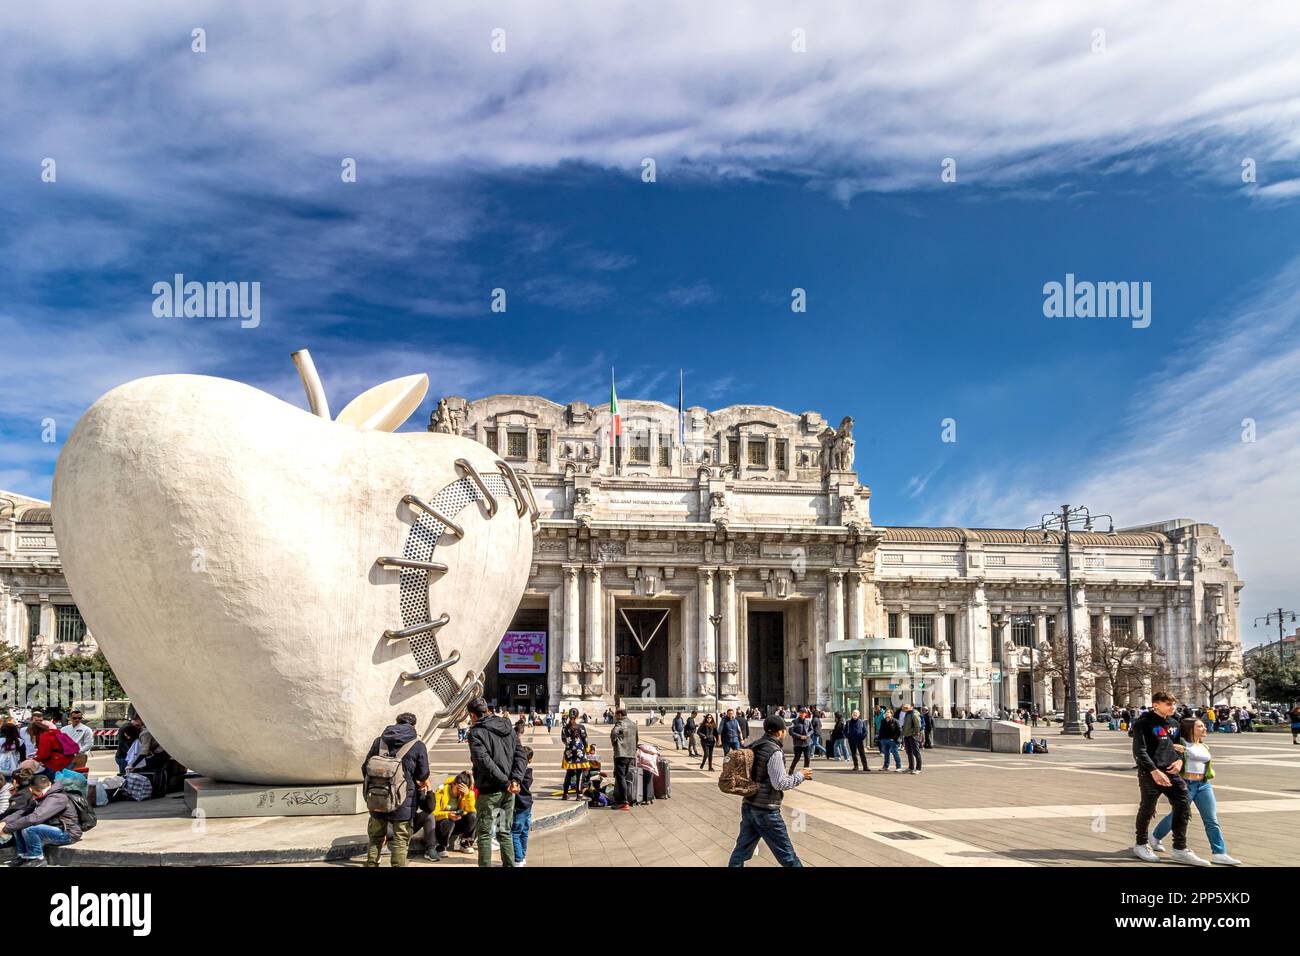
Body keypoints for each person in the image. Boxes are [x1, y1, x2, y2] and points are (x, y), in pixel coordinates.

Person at [1148, 717, 1241, 865]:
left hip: (1204, 784)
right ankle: (1154, 836)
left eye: (1204, 726)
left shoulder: (1204, 746)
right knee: (1177, 816)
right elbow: (1164, 745)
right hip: (1186, 784)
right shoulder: (1181, 744)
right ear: (1190, 728)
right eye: (1200, 726)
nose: (1204, 728)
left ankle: (1219, 853)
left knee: (1211, 819)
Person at [1131, 692, 1205, 865]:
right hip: (1151, 774)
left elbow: (1174, 746)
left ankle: (1180, 848)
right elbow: (1139, 751)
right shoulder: (1144, 723)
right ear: (1156, 704)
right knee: (1147, 809)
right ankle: (1141, 844)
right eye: (1168, 704)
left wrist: (1179, 762)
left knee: (1183, 806)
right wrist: (1154, 771)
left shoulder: (1173, 722)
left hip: (1172, 772)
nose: (1173, 707)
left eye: (1173, 704)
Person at [728, 715, 810, 868]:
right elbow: (780, 783)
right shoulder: (774, 751)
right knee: (788, 856)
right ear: (779, 732)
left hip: (749, 805)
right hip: (766, 811)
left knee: (740, 851)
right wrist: (801, 776)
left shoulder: (755, 745)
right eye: (784, 729)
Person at [361, 712, 430, 867]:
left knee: (375, 837)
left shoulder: (379, 742)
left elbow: (365, 767)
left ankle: (371, 864)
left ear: (396, 723)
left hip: (377, 796)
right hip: (404, 799)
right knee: (400, 839)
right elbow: (423, 774)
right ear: (413, 726)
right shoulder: (417, 745)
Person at [466, 696, 527, 867]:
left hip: (489, 792)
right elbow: (520, 756)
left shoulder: (476, 733)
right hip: (508, 791)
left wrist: (506, 781)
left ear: (472, 715)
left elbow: (484, 763)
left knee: (484, 834)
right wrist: (515, 780)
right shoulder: (507, 726)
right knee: (504, 831)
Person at [1, 772, 83, 866]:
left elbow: (35, 818)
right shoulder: (41, 796)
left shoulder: (58, 798)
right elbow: (22, 812)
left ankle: (37, 859)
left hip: (67, 833)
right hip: (52, 829)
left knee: (30, 829)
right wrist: (4, 822)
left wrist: (6, 829)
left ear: (31, 789)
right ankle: (24, 856)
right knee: (18, 826)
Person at [421, 771, 477, 860]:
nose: (459, 792)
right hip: (441, 825)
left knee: (473, 815)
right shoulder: (441, 790)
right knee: (448, 821)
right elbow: (434, 814)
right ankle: (441, 846)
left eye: (462, 790)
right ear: (453, 784)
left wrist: (468, 794)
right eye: (458, 789)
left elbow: (471, 810)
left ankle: (465, 842)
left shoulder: (465, 793)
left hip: (456, 822)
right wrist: (447, 814)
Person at [610, 707, 638, 811]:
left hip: (621, 754)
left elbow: (613, 733)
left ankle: (623, 802)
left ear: (620, 714)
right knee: (624, 776)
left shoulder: (620, 723)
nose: (615, 717)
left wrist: (615, 743)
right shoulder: (633, 724)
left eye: (616, 715)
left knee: (620, 777)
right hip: (630, 754)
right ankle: (623, 800)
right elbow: (636, 739)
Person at [511, 746, 535, 867]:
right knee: (524, 832)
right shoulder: (529, 773)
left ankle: (518, 859)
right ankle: (522, 856)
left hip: (519, 805)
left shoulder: (517, 775)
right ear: (530, 760)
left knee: (514, 833)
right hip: (528, 804)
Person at [560, 716, 590, 800]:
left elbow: (563, 739)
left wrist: (569, 744)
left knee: (569, 773)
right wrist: (586, 748)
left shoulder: (564, 728)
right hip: (579, 752)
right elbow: (585, 740)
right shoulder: (581, 727)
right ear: (577, 716)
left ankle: (565, 794)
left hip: (569, 752)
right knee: (579, 774)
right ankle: (579, 794)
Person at [900, 704, 923, 774]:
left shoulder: (914, 714)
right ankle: (911, 767)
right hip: (907, 735)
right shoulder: (908, 714)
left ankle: (918, 768)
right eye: (904, 708)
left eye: (906, 708)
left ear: (911, 707)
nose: (904, 709)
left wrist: (914, 734)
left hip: (912, 735)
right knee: (909, 752)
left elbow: (918, 725)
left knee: (916, 752)